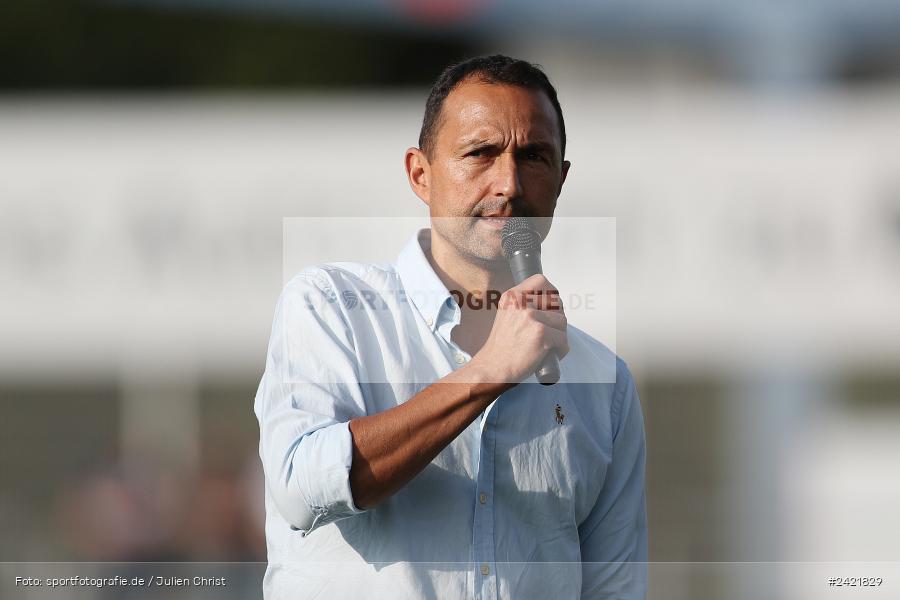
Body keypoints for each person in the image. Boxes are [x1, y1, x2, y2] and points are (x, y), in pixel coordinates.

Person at [254, 54, 647, 599]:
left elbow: (613, 589)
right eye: (480, 153)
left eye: (534, 156)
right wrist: (489, 372)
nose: (508, 183)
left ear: (561, 179)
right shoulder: (330, 307)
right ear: (421, 173)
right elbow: (300, 489)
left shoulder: (604, 382)